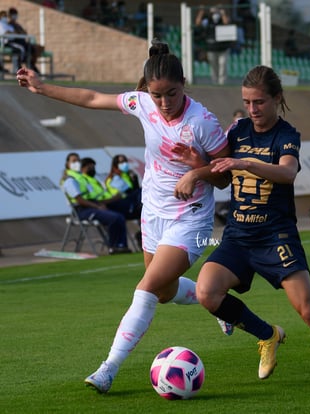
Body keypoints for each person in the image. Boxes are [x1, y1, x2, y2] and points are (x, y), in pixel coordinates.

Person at [17, 39, 230, 393]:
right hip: (154, 212)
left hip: (191, 218)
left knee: (146, 289)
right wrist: (42, 89)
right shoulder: (142, 103)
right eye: (158, 95)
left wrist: (197, 167)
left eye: (172, 94)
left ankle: (108, 368)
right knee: (163, 291)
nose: (164, 103)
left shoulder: (202, 122)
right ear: (148, 90)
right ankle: (218, 303)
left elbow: (225, 176)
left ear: (184, 85)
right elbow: (90, 98)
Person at [174, 65, 310, 388]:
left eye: (259, 102)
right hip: (238, 235)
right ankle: (268, 335)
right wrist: (198, 167)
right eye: (247, 102)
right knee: (207, 293)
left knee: (309, 311)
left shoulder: (286, 135)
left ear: (277, 99)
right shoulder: (237, 131)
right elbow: (223, 178)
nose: (253, 109)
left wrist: (246, 163)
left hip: (275, 236)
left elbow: (287, 173)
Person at [61, 152, 132, 254]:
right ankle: (114, 246)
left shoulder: (81, 177)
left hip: (91, 205)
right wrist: (97, 206)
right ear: (67, 164)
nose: (76, 163)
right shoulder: (70, 180)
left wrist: (98, 204)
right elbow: (79, 200)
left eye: (78, 160)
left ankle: (121, 246)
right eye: (73, 161)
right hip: (82, 210)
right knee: (114, 218)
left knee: (119, 216)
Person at [195, 6, 233, 85]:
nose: (215, 14)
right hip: (211, 48)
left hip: (223, 48)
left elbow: (226, 23)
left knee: (223, 65)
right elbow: (198, 23)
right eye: (214, 12)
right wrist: (201, 13)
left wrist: (222, 13)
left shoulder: (223, 20)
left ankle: (222, 82)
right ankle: (215, 82)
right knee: (213, 66)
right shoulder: (208, 21)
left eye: (217, 12)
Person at [8, 7, 43, 73]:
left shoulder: (17, 25)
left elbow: (24, 32)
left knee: (33, 49)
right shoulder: (9, 25)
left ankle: (31, 65)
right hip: (15, 42)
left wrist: (21, 32)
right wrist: (20, 33)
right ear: (10, 15)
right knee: (22, 49)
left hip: (22, 41)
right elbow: (15, 33)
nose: (15, 16)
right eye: (13, 14)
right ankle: (19, 67)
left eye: (15, 14)